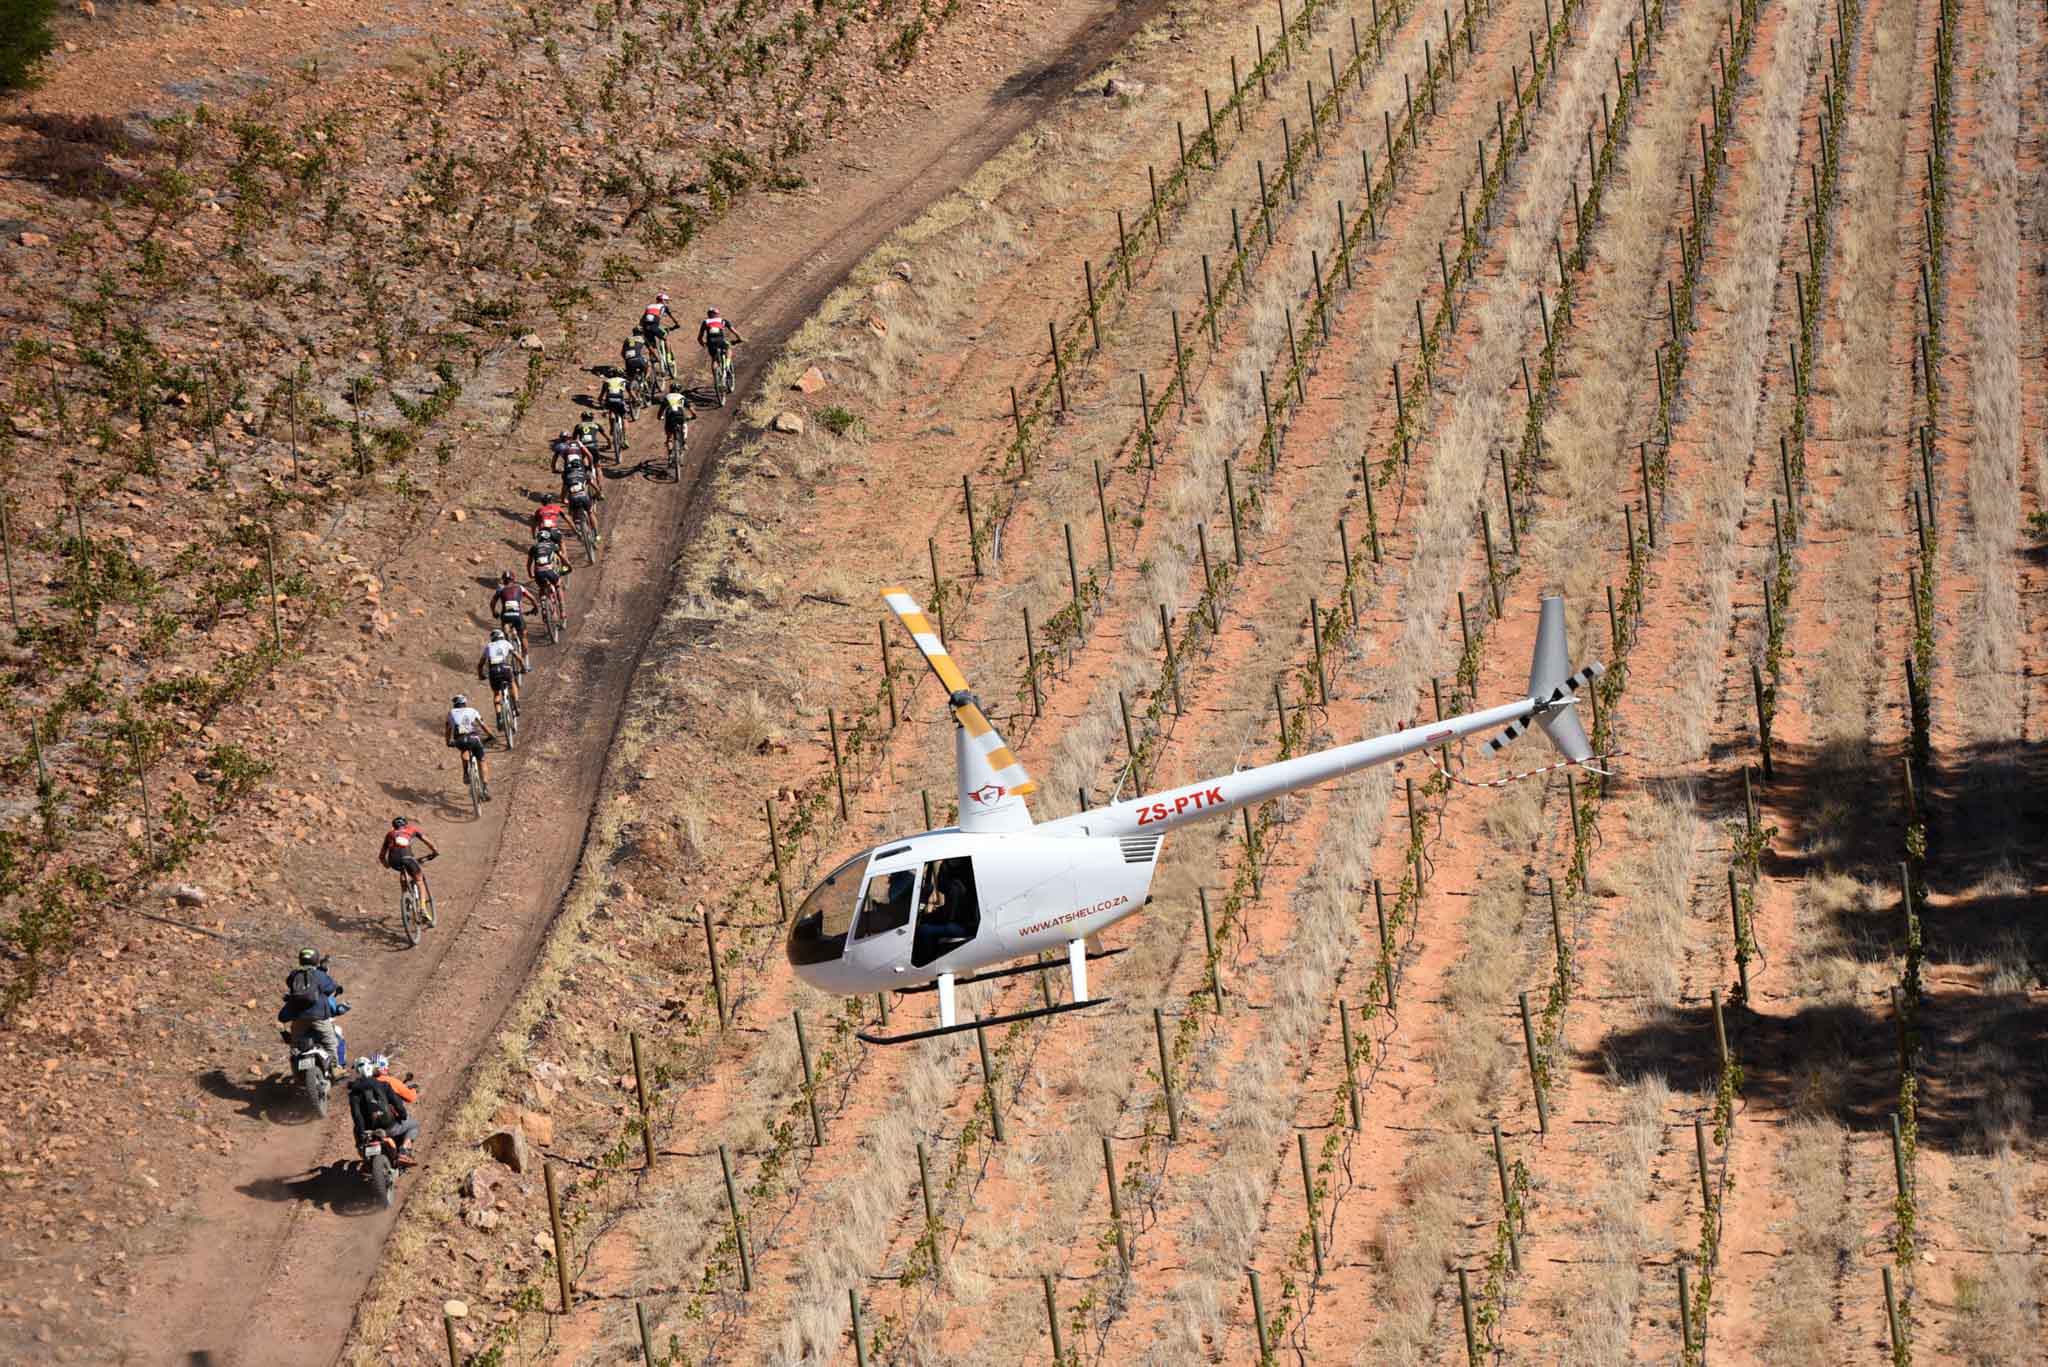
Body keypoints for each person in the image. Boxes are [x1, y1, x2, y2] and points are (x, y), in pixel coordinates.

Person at [276, 948, 347, 1075]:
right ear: (316, 960)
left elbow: (289, 983)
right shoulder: (320, 975)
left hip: (298, 1017)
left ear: (300, 960)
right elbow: (330, 988)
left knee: (295, 1044)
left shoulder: (294, 975)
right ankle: (336, 1068)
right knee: (331, 1042)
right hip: (318, 1017)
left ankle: (296, 1069)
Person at [346, 1055, 420, 1165]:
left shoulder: (354, 1093)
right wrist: (403, 1115)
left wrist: (362, 1133)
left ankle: (365, 1156)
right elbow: (398, 1103)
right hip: (390, 1127)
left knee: (356, 1131)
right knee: (414, 1124)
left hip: (369, 1131)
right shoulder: (385, 1084)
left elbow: (356, 1116)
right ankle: (404, 1151)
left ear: (357, 1071)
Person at [379, 816, 439, 909]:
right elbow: (428, 842)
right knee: (419, 880)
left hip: (393, 860)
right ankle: (422, 907)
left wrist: (387, 865)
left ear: (394, 827)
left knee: (403, 871)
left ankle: (406, 899)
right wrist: (435, 851)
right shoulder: (412, 829)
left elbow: (381, 856)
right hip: (407, 857)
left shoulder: (389, 834)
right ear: (405, 825)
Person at [446, 692, 496, 799]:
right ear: (465, 703)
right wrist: (491, 736)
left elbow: (448, 730)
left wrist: (448, 741)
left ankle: (465, 774)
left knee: (464, 750)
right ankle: (485, 787)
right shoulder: (472, 711)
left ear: (455, 704)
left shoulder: (451, 713)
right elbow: (483, 725)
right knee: (482, 760)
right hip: (473, 738)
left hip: (460, 739)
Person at [476, 628, 527, 719]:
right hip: (505, 668)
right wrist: (523, 667)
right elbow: (518, 657)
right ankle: (517, 704)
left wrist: (481, 675)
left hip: (493, 671)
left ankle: (499, 716)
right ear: (502, 636)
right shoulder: (506, 643)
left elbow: (480, 664)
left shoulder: (488, 646)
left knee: (496, 694)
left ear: (492, 638)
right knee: (512, 683)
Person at [490, 573, 538, 660]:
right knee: (523, 636)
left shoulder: (500, 589)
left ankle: (508, 647)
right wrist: (535, 608)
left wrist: (494, 612)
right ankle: (526, 662)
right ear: (513, 579)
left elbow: (492, 603)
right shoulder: (520, 587)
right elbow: (532, 598)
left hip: (506, 616)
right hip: (518, 616)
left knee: (506, 632)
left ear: (503, 580)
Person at [699, 308, 743, 401]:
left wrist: (703, 344)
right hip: (721, 341)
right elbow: (734, 332)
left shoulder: (705, 322)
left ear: (708, 314)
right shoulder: (723, 320)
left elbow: (699, 337)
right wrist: (740, 339)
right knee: (728, 348)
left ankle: (716, 376)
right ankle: (727, 365)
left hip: (711, 343)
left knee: (714, 360)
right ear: (717, 314)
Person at [528, 527, 571, 606]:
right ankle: (562, 612)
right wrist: (568, 564)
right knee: (558, 585)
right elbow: (562, 555)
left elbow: (529, 564)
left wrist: (530, 574)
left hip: (538, 572)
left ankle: (545, 608)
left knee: (542, 588)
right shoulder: (552, 544)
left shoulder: (534, 547)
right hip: (550, 570)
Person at [598, 367, 633, 438]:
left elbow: (601, 396)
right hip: (619, 399)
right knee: (624, 417)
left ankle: (612, 428)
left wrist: (601, 402)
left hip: (609, 399)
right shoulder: (624, 381)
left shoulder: (607, 381)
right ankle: (625, 438)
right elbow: (631, 392)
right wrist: (636, 399)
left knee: (611, 411)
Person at [658, 386, 691, 455]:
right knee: (684, 425)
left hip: (670, 418)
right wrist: (693, 416)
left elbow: (660, 412)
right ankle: (684, 442)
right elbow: (692, 411)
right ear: (679, 390)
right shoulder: (682, 397)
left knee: (669, 438)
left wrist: (660, 417)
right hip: (680, 416)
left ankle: (670, 455)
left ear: (670, 390)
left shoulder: (667, 397)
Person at [621, 333, 651, 399]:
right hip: (639, 360)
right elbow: (651, 349)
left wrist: (628, 359)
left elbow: (622, 353)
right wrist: (657, 358)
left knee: (630, 379)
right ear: (641, 333)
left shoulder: (627, 339)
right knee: (649, 365)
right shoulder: (642, 338)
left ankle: (635, 398)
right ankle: (645, 380)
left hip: (629, 362)